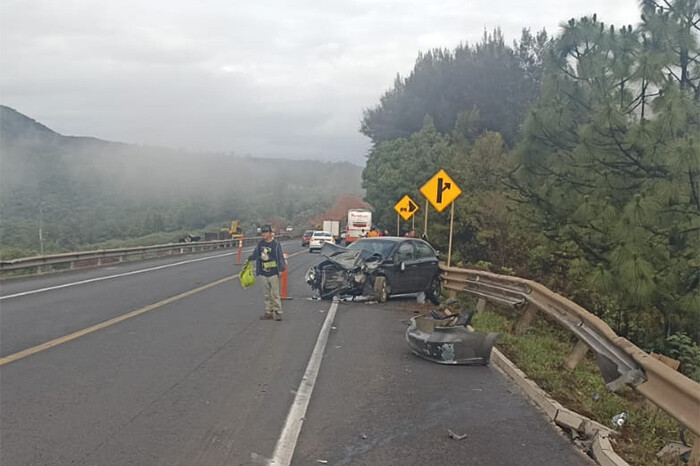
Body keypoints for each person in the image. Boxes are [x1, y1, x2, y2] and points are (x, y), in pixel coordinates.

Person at [247, 225, 286, 321]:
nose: (263, 234)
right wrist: (249, 259)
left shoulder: (275, 244)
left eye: (265, 232)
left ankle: (278, 312)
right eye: (262, 232)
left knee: (275, 294)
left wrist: (281, 269)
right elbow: (256, 254)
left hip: (273, 272)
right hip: (263, 272)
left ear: (270, 233)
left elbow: (280, 257)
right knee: (266, 295)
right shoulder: (260, 244)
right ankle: (268, 312)